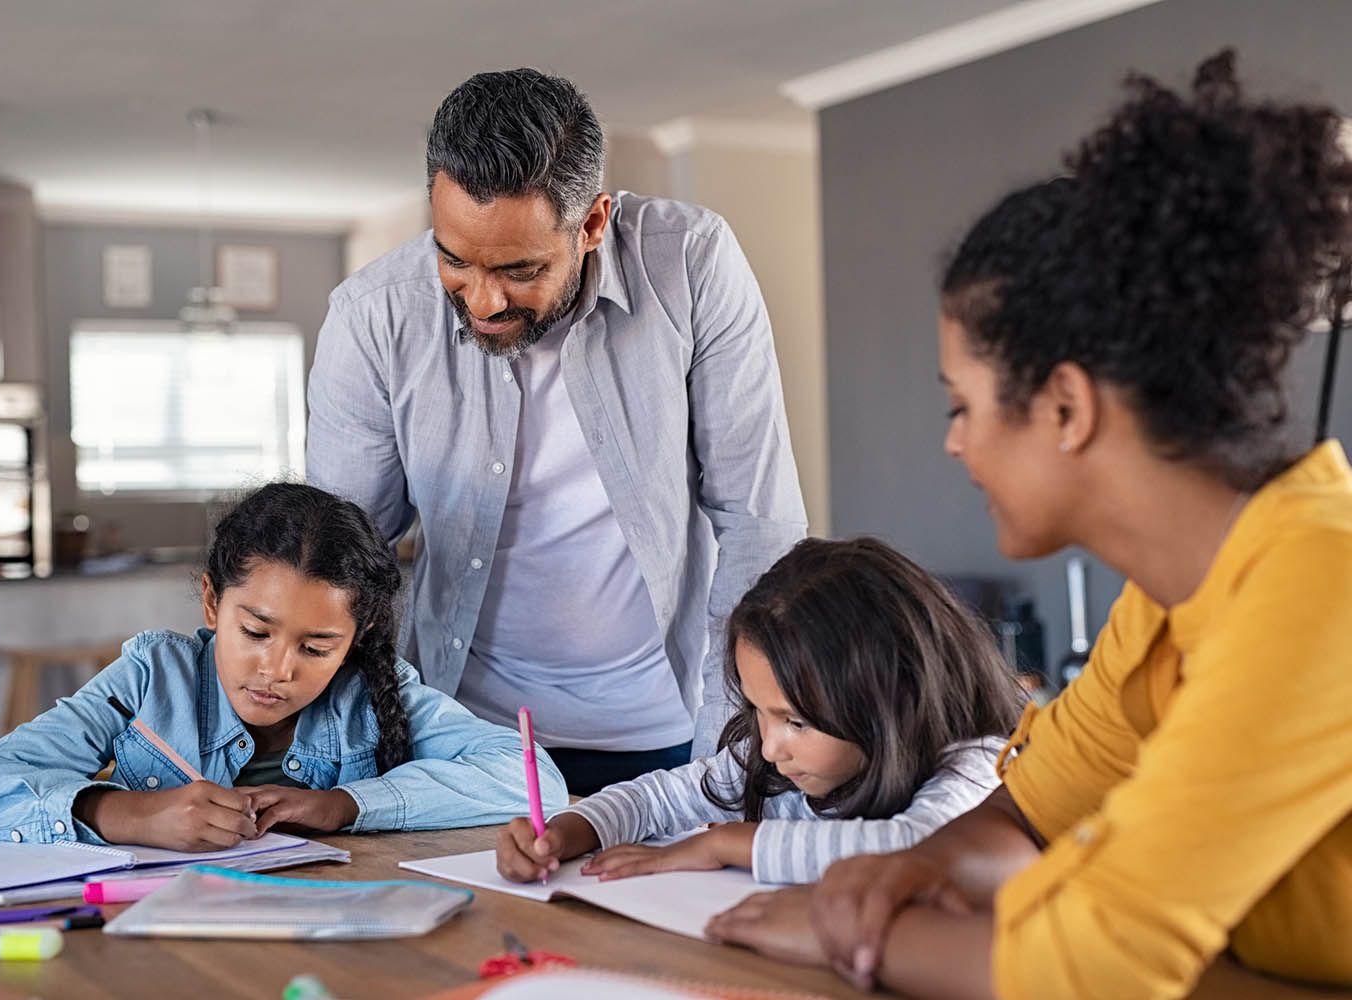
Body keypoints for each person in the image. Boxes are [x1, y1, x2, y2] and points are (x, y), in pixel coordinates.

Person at [705, 50, 1352, 998]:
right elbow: (1035, 812)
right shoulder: (1171, 600)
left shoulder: (1314, 584)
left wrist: (843, 936)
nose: (955, 446)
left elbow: (1091, 966)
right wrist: (914, 869)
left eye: (961, 407)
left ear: (1064, 407)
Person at [306, 68, 807, 795]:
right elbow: (338, 558)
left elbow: (760, 523)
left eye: (518, 269)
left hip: (675, 729)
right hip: (464, 737)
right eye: (453, 258)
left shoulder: (692, 263)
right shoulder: (371, 315)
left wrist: (733, 750)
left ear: (594, 223)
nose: (481, 299)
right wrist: (341, 753)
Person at [0, 483, 567, 849]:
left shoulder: (375, 693)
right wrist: (122, 813)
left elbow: (532, 778)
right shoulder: (152, 676)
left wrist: (346, 805)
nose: (276, 668)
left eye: (316, 647)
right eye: (255, 631)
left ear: (359, 637)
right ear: (214, 601)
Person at [494, 536, 1024, 886]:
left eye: (796, 721)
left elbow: (920, 848)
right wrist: (567, 832)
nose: (769, 748)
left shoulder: (978, 765)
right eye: (757, 710)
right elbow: (658, 798)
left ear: (894, 698)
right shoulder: (772, 758)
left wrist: (728, 842)